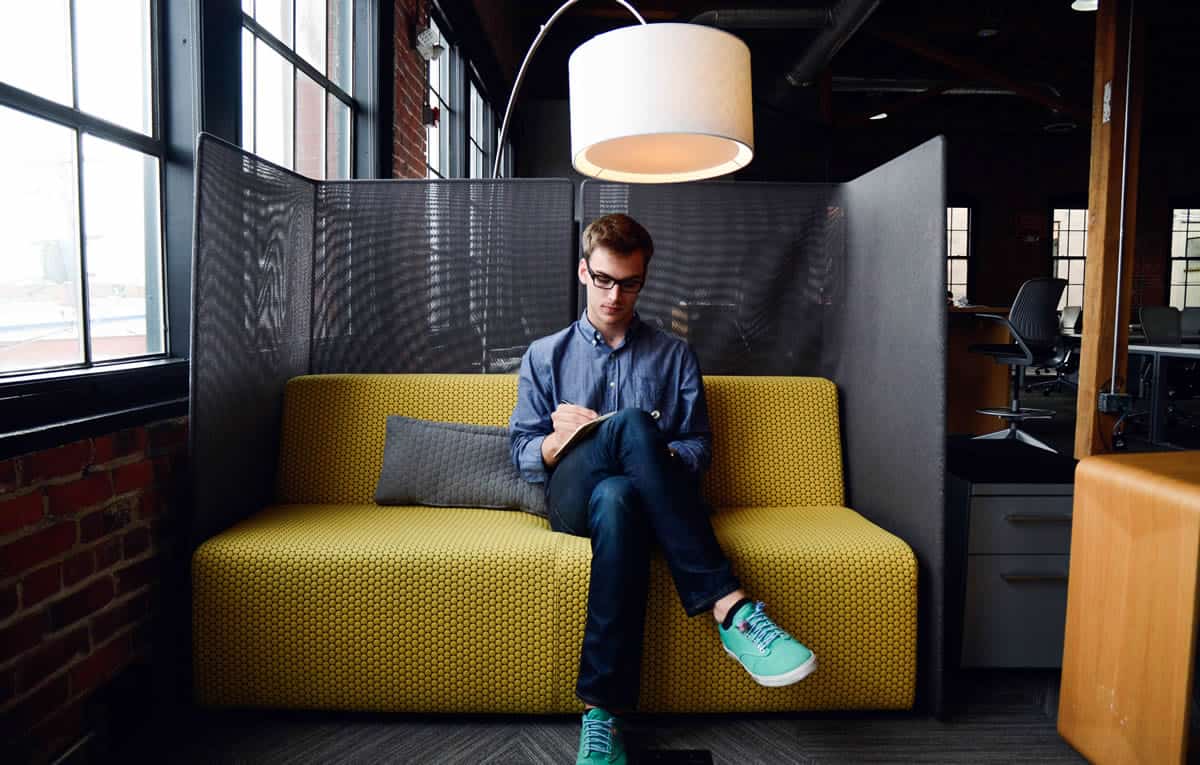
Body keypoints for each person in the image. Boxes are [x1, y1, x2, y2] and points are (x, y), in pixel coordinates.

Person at [509, 214, 817, 765]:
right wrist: (561, 440)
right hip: (570, 499)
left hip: (637, 506)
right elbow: (523, 455)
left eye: (629, 283)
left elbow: (698, 447)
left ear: (643, 281)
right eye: (604, 279)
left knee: (622, 493)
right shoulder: (544, 355)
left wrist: (653, 452)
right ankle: (729, 607)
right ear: (584, 271)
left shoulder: (675, 356)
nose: (615, 295)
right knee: (627, 427)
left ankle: (602, 715)